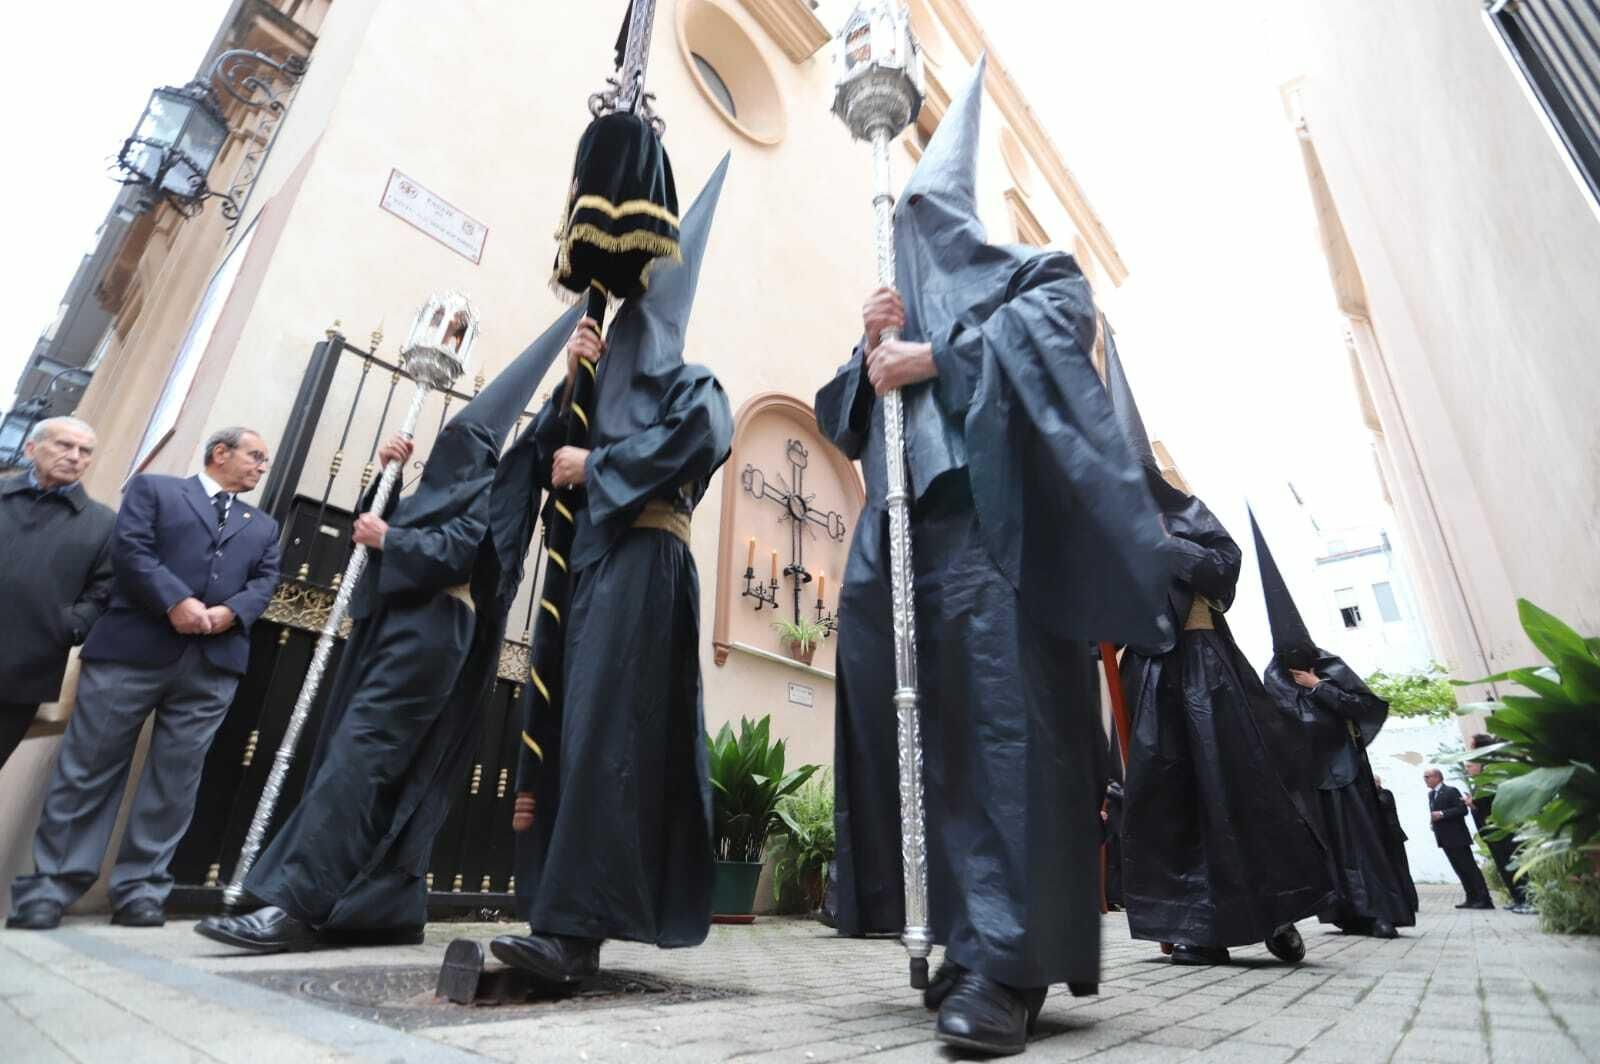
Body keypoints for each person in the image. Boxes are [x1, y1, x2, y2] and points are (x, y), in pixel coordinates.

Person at [819, 58, 1170, 1056]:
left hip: (990, 531)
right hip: (897, 546)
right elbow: (840, 414)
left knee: (1004, 738)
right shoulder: (891, 306)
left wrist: (938, 355)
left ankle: (1006, 961)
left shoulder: (1033, 273)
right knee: (919, 744)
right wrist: (870, 348)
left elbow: (1065, 331)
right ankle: (949, 932)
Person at [195, 308, 577, 952]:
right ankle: (384, 906)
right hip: (403, 628)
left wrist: (391, 536)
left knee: (359, 761)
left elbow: (460, 548)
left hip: (431, 633)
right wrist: (386, 476)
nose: (450, 443)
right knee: (360, 761)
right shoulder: (449, 476)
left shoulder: (488, 482)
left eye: (460, 436)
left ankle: (297, 905)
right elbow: (382, 525)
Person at [490, 156, 735, 987]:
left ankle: (574, 933)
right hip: (589, 570)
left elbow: (695, 443)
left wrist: (596, 465)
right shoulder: (597, 387)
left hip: (643, 566)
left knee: (605, 739)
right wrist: (575, 384)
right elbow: (545, 459)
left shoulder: (694, 382)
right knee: (571, 730)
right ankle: (559, 912)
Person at [1106, 337, 1334, 970]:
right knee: (1166, 800)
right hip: (1148, 677)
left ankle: (1275, 913)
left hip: (1208, 669)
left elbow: (1223, 573)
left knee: (1236, 789)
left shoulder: (1185, 516)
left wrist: (1161, 546)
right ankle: (1194, 926)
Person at [7, 427, 280, 931]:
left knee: (175, 781)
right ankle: (49, 889)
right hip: (131, 653)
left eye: (265, 461)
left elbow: (265, 581)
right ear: (220, 453)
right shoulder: (155, 490)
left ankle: (140, 890)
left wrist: (230, 613)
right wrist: (175, 600)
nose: (262, 467)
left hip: (212, 664)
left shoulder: (262, 526)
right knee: (87, 769)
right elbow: (131, 552)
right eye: (256, 456)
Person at [1253, 511, 1417, 939]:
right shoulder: (1274, 681)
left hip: (1345, 775)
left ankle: (1381, 909)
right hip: (1310, 782)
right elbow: (1275, 728)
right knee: (1328, 848)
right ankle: (1347, 910)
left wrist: (1319, 686)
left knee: (1362, 842)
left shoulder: (1329, 670)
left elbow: (1362, 706)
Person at [0, 417, 116, 772]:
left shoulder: (103, 523)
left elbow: (104, 591)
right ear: (33, 448)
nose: (75, 456)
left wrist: (68, 627)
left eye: (85, 451)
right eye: (64, 445)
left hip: (22, 676)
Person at [1464, 733, 1532, 913]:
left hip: (1502, 827)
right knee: (1504, 865)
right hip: (1491, 830)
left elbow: (1494, 798)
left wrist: (1474, 802)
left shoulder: (1493, 770)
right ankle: (1517, 898)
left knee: (1513, 863)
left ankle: (1527, 899)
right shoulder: (1486, 771)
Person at [1423, 766, 1493, 909]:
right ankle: (1471, 897)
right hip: (1444, 838)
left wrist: (1442, 814)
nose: (1425, 780)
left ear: (1437, 777)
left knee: (1469, 868)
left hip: (1457, 837)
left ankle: (1484, 899)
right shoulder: (1431, 795)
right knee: (1459, 869)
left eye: (1427, 777)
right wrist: (1433, 821)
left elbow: (1462, 810)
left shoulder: (1451, 791)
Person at [1371, 774, 1418, 914]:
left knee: (1401, 869)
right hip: (1384, 839)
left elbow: (1383, 803)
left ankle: (1411, 901)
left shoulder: (1385, 793)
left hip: (1393, 837)